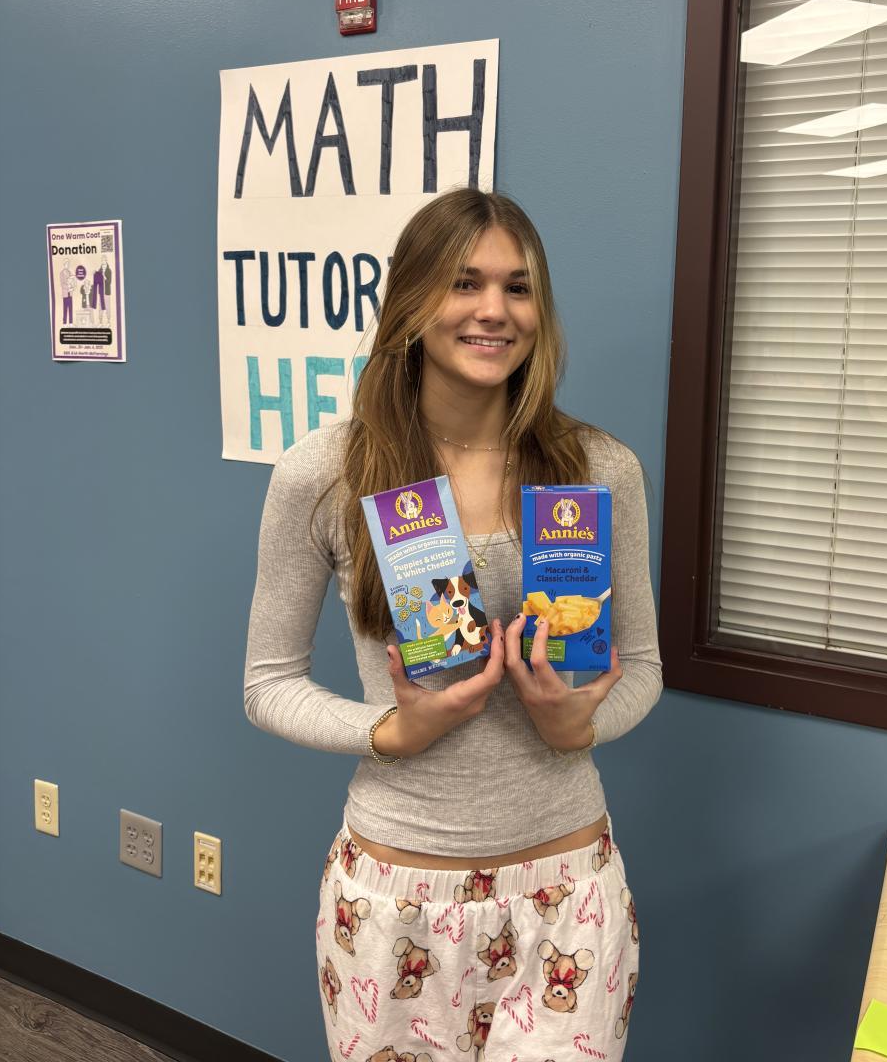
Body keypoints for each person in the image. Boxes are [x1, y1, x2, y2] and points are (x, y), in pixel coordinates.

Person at [243, 188, 663, 1060]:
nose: (493, 310)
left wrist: (577, 725)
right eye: (464, 283)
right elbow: (267, 685)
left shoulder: (597, 469)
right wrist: (392, 732)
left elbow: (645, 666)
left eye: (518, 287)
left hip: (568, 897)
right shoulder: (324, 474)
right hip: (395, 896)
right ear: (410, 300)